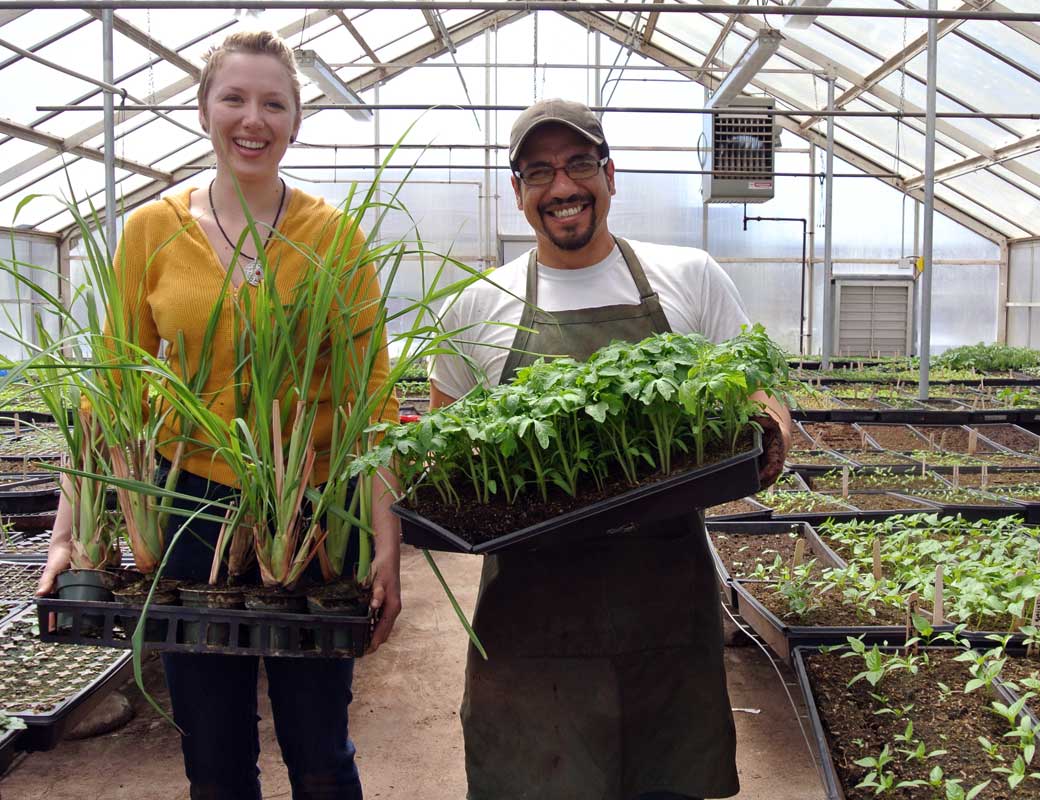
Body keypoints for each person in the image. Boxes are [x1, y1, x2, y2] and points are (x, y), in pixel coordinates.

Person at [35, 31, 401, 800]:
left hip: (310, 515)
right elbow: (113, 391)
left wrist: (386, 542)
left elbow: (374, 400)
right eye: (234, 97)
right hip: (188, 507)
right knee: (214, 752)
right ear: (204, 109)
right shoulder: (149, 231)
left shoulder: (333, 237)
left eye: (274, 103)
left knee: (320, 750)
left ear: (296, 123)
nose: (252, 119)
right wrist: (70, 530)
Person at [429, 98, 792, 800]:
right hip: (532, 641)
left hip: (665, 621)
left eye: (578, 164)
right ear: (518, 192)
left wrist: (769, 434)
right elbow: (444, 455)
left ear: (610, 173)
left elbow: (761, 394)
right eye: (540, 172)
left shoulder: (690, 279)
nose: (562, 187)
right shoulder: (476, 308)